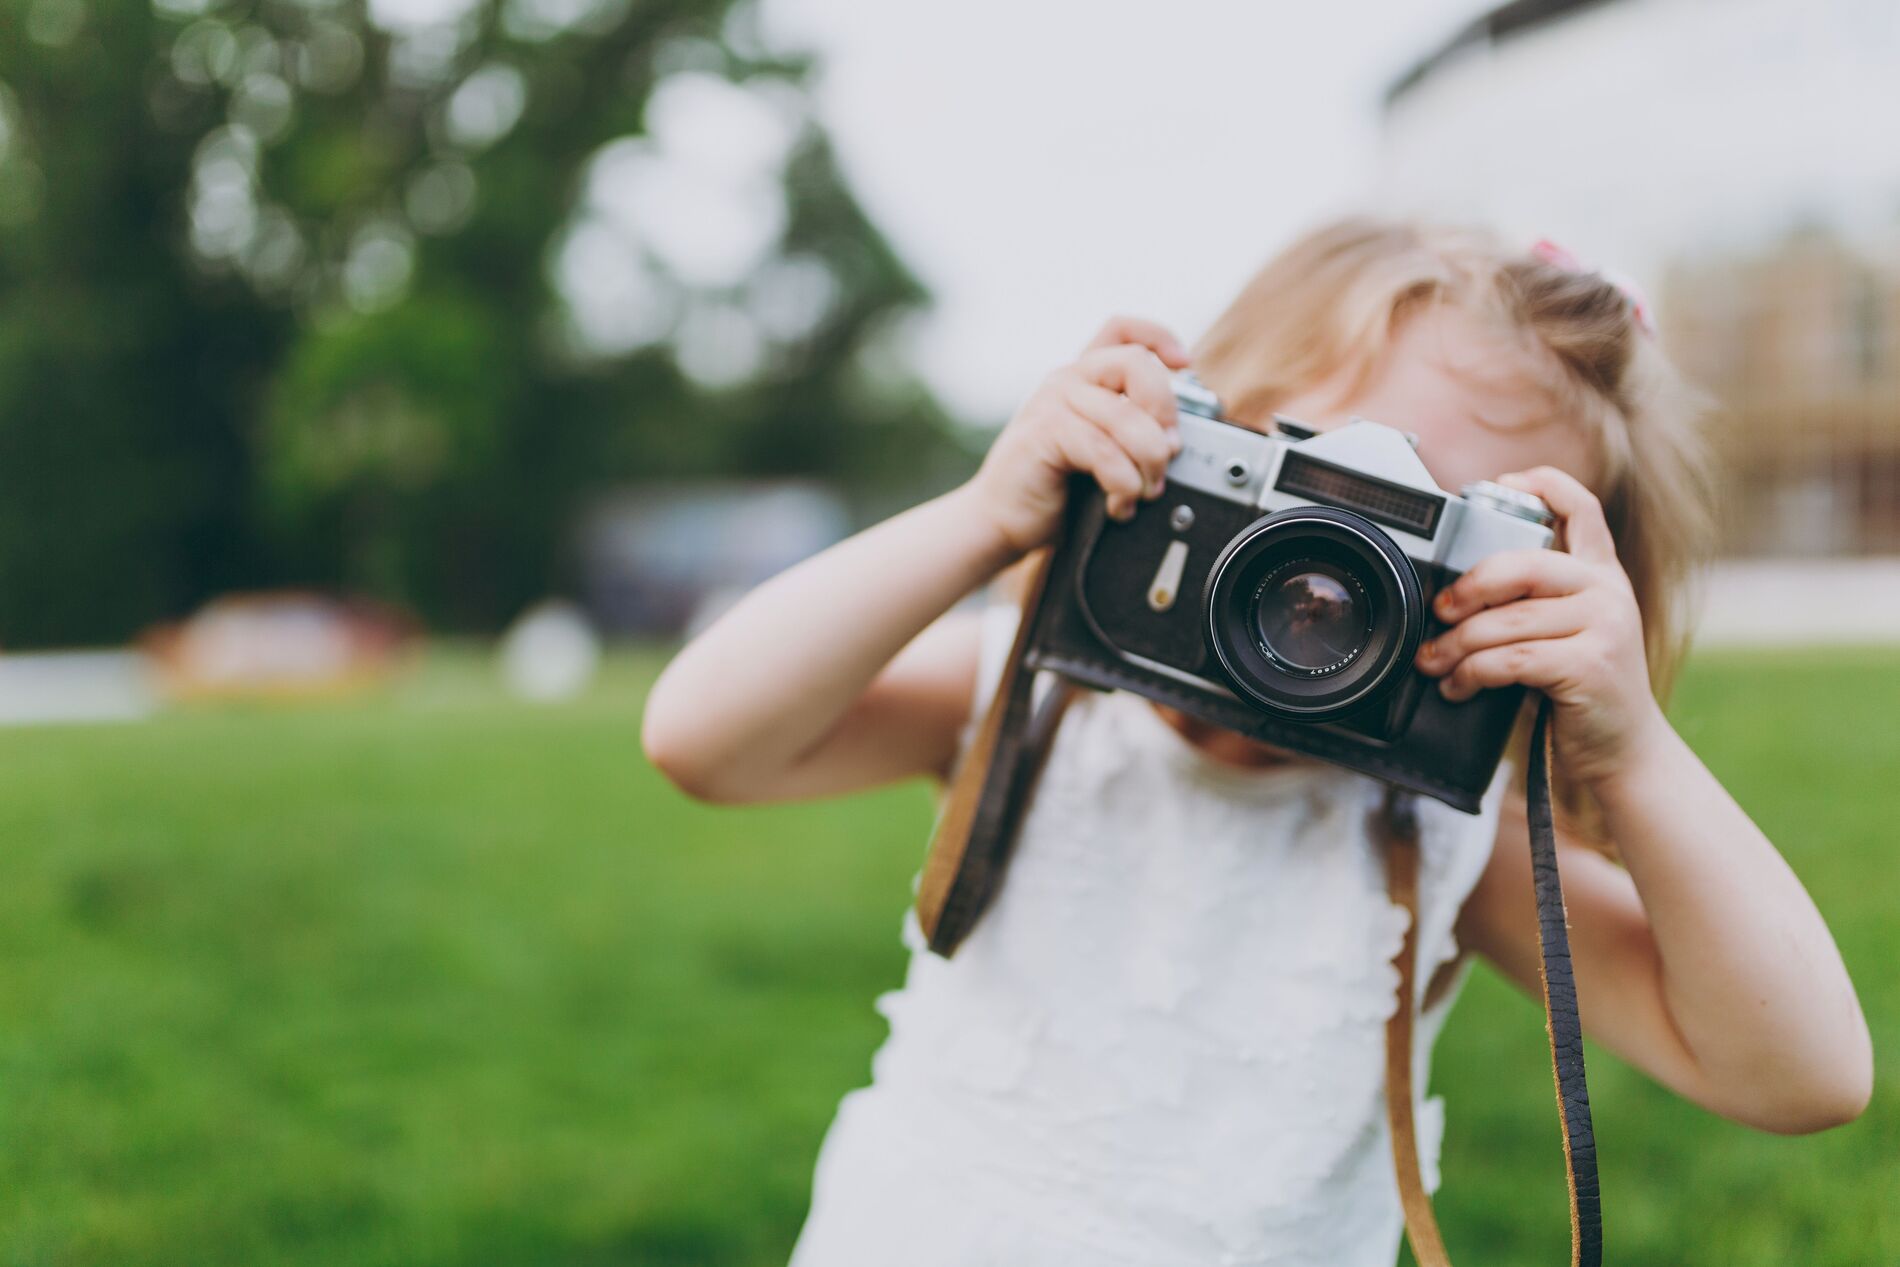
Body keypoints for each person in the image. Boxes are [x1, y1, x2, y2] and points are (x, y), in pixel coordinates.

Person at [639, 219, 1872, 1267]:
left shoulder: (1443, 835)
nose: (1329, 583)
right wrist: (983, 522)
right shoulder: (1036, 690)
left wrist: (1633, 748)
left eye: (1429, 539)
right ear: (1190, 441)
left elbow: (1799, 1074)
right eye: (1305, 476)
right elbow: (706, 741)